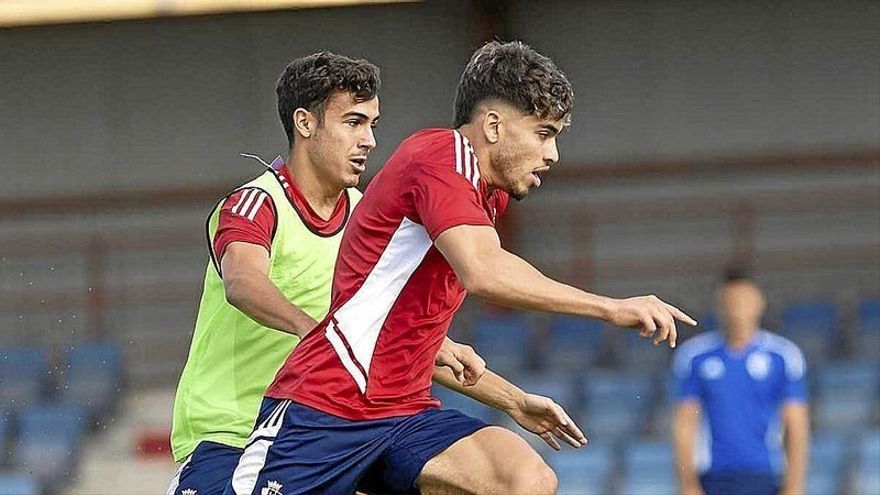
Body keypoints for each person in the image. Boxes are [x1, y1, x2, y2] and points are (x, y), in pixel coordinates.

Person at [226, 41, 696, 495]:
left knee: (525, 479)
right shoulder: (438, 157)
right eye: (543, 133)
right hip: (324, 409)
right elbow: (484, 272)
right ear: (492, 125)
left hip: (405, 416)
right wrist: (610, 308)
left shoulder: (483, 192)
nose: (552, 154)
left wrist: (514, 401)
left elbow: (411, 340)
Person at [168, 51, 583, 495]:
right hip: (231, 434)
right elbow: (244, 284)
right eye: (353, 122)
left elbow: (379, 347)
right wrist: (329, 337)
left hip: (345, 425)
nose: (368, 140)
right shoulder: (257, 202)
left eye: (373, 125)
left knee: (513, 478)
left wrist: (512, 399)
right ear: (305, 124)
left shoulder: (369, 218)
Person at [672, 269, 810, 495]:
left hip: (765, 474)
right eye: (730, 302)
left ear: (759, 303)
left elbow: (797, 426)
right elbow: (684, 424)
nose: (737, 309)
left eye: (744, 301)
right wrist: (687, 484)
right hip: (712, 475)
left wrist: (794, 486)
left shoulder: (783, 356)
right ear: (719, 305)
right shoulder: (695, 356)